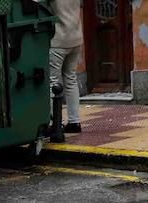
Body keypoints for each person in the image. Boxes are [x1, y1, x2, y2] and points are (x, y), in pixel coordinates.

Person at [50, 0, 83, 134]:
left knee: (53, 82)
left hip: (58, 40)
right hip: (76, 38)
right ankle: (75, 122)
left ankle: (56, 123)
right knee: (71, 79)